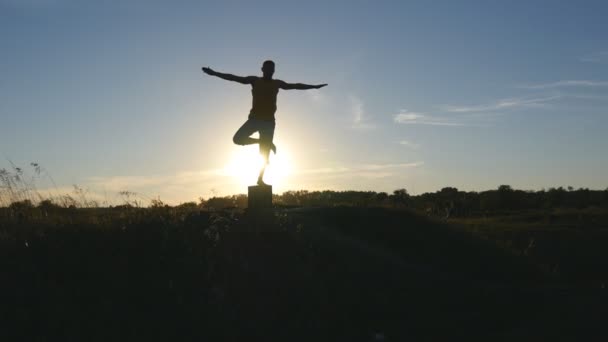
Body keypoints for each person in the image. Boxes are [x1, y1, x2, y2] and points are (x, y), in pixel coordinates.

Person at [202, 60, 327, 186]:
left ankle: (260, 179)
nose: (269, 71)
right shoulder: (255, 80)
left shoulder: (277, 83)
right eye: (267, 69)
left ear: (274, 71)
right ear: (262, 69)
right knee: (237, 139)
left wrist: (314, 87)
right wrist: (214, 73)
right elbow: (233, 78)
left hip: (268, 122)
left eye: (272, 69)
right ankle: (262, 142)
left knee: (265, 154)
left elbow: (295, 85)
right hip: (254, 120)